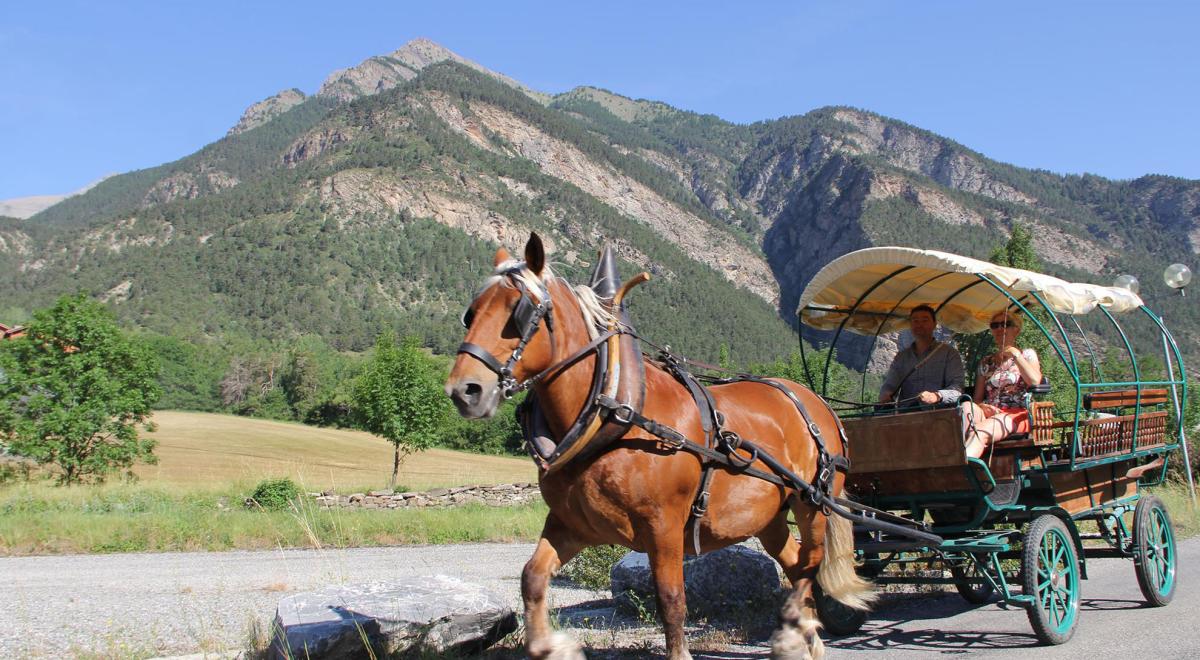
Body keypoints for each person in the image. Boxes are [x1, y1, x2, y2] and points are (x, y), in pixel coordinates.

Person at [964, 309, 1043, 458]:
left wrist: (1016, 356)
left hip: (1016, 415)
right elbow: (977, 398)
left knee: (980, 431)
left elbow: (1034, 381)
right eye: (995, 325)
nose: (1000, 328)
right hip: (988, 413)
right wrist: (982, 407)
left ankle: (963, 468)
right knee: (966, 407)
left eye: (1006, 324)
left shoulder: (1027, 355)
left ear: (1016, 330)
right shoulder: (986, 362)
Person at [879, 305, 965, 407]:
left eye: (925, 320)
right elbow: (890, 385)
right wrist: (886, 394)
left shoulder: (949, 354)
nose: (920, 325)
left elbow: (958, 389)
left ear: (934, 324)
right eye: (915, 321)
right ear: (910, 325)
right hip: (906, 414)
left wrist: (937, 396)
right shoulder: (901, 357)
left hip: (940, 414)